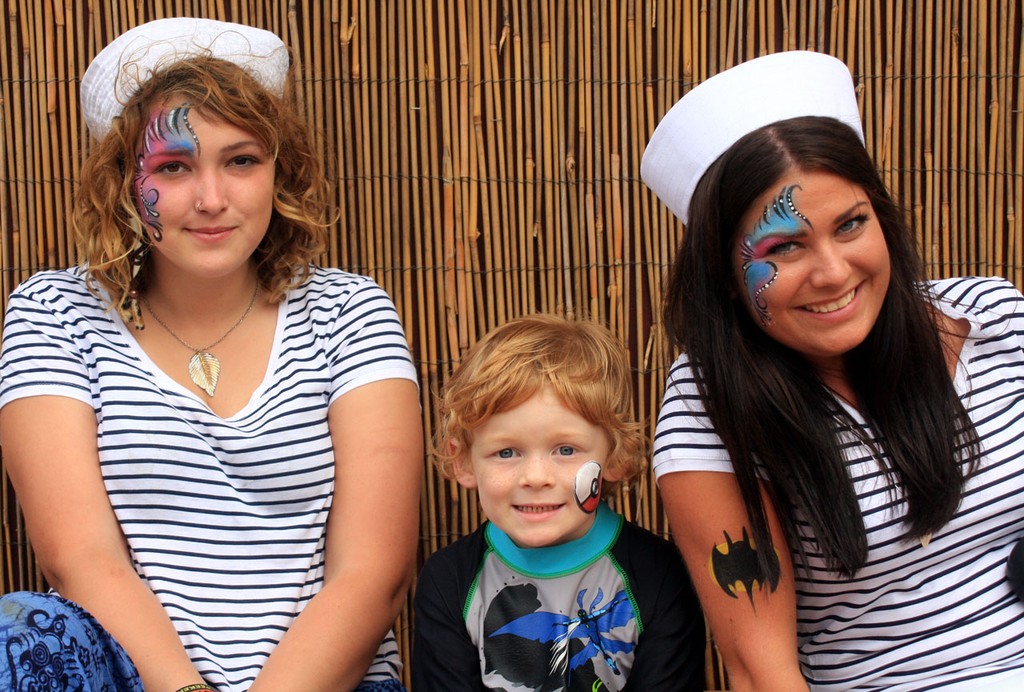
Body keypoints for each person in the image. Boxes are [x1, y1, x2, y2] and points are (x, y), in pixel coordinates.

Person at [0, 17, 422, 692]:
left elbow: (373, 572)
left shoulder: (351, 313)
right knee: (15, 630)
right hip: (135, 679)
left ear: (279, 172)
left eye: (241, 160)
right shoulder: (54, 314)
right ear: (122, 184)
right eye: (172, 167)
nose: (212, 199)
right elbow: (80, 558)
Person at [640, 49, 1024, 691]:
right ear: (727, 275)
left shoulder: (994, 316)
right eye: (783, 247)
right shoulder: (709, 407)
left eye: (851, 225)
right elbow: (763, 671)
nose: (833, 272)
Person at [412, 314, 706, 691]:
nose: (536, 477)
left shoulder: (660, 575)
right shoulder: (449, 581)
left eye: (566, 450)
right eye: (506, 452)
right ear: (464, 462)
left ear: (616, 456)